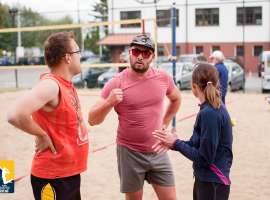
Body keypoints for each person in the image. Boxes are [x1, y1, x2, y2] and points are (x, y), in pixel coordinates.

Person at [88, 34, 181, 200]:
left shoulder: (163, 77)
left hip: (158, 149)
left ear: (152, 57)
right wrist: (108, 103)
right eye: (136, 51)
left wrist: (165, 122)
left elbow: (176, 99)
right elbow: (92, 120)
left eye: (145, 53)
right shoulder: (116, 82)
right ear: (130, 52)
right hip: (129, 152)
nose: (140, 56)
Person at [7, 31, 89, 200]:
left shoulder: (65, 84)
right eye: (78, 52)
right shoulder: (51, 84)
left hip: (67, 173)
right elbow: (14, 115)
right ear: (68, 58)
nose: (80, 56)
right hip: (53, 176)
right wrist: (41, 134)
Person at [153, 63, 233, 200]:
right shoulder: (208, 108)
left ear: (193, 84)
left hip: (213, 182)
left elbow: (205, 158)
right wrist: (173, 144)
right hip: (206, 180)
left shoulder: (211, 112)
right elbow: (197, 145)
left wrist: (177, 143)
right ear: (216, 82)